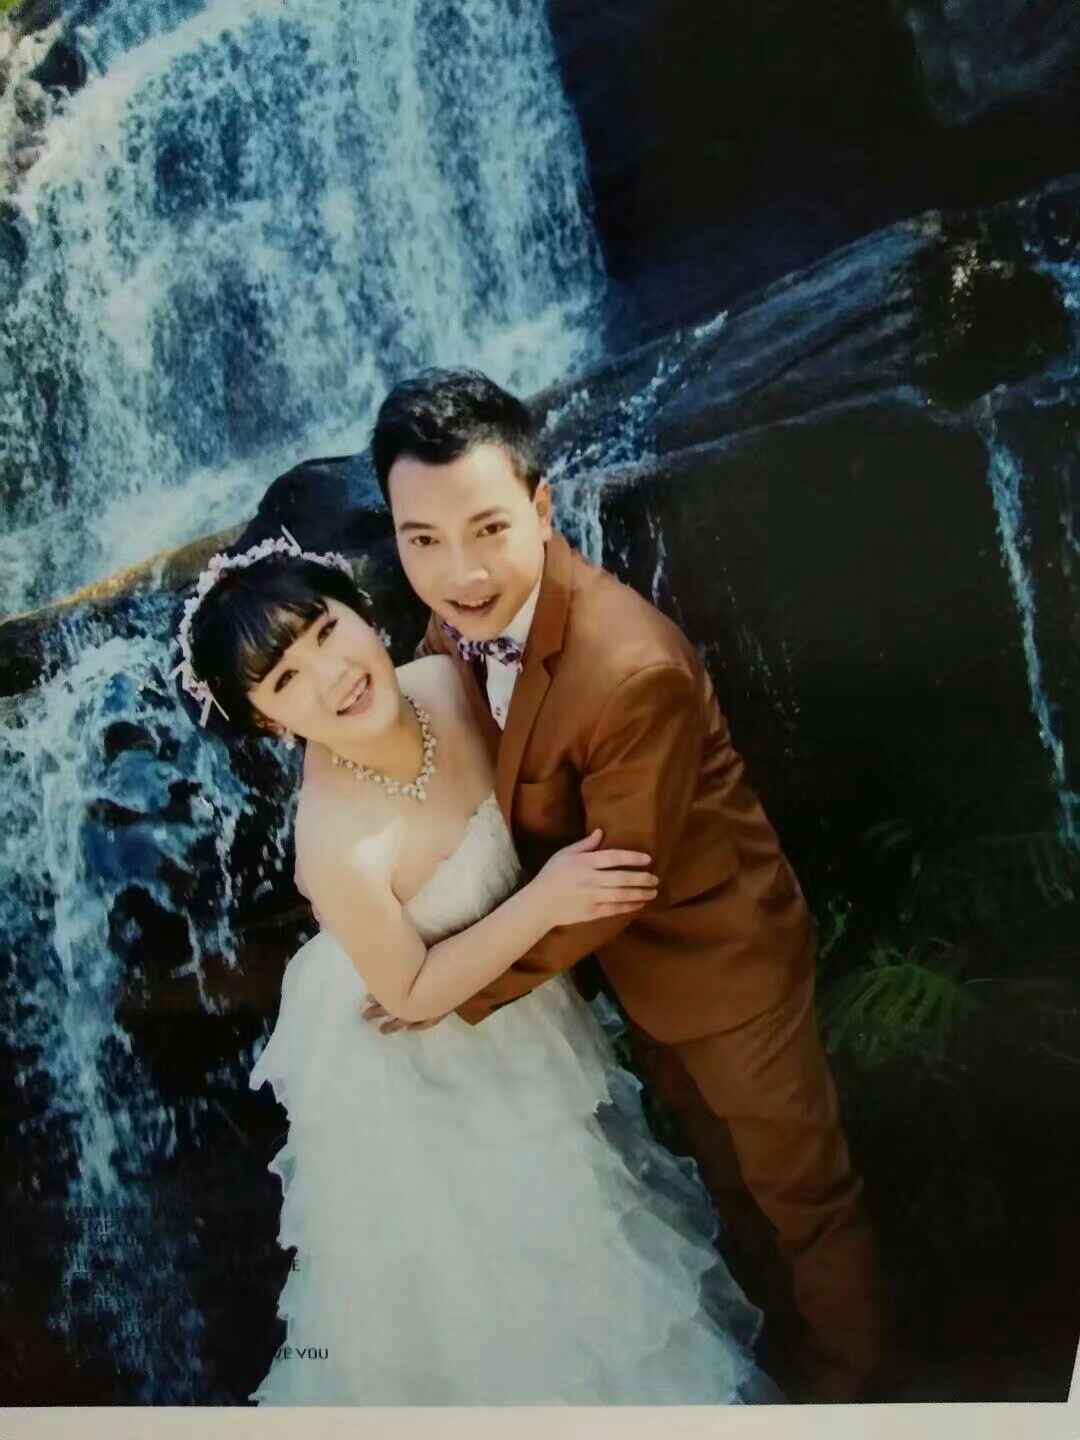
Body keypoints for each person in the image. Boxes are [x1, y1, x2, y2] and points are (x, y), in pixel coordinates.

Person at [365, 368, 883, 1403]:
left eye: (488, 529)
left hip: (722, 961)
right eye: (423, 540)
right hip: (630, 982)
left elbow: (613, 882)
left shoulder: (627, 667)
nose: (460, 572)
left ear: (541, 507)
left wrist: (441, 986)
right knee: (722, 1178)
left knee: (802, 1198)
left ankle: (853, 1391)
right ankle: (775, 1364)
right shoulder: (453, 625)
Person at [173, 529, 777, 1405]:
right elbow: (412, 992)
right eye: (287, 680)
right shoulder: (335, 848)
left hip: (514, 995)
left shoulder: (445, 682)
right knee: (532, 1281)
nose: (332, 676)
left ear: (362, 612)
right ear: (268, 721)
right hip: (425, 1069)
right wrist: (549, 898)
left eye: (327, 632)